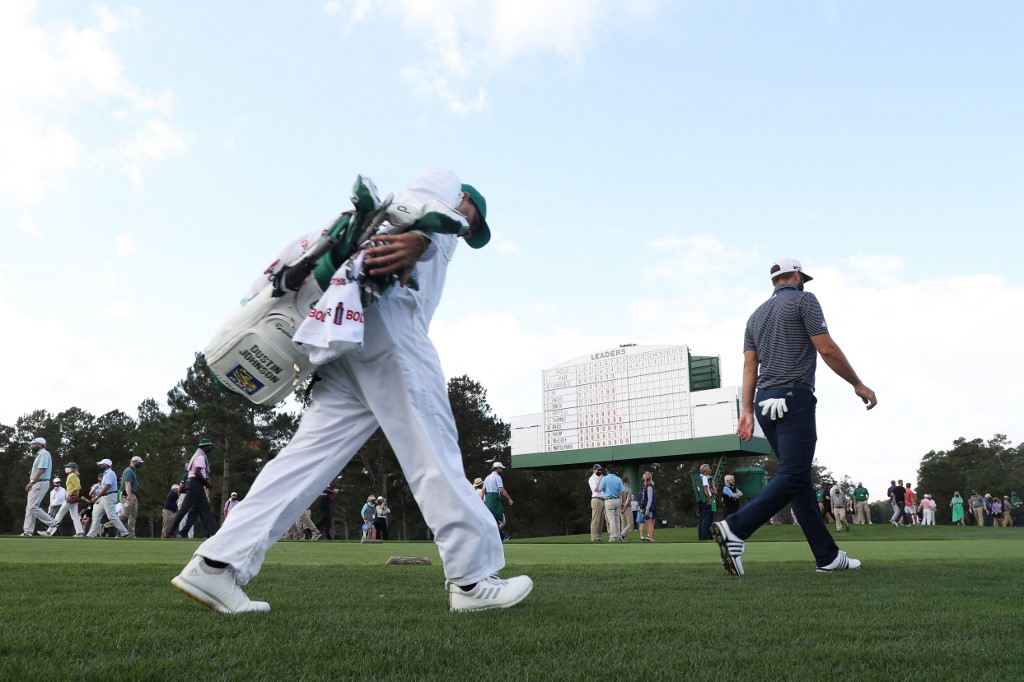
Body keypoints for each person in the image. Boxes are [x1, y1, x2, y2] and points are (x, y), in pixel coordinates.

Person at [170, 170, 530, 614]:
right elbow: (408, 211)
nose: (470, 228)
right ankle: (472, 580)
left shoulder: (443, 237)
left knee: (306, 461)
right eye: (474, 220)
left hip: (347, 330)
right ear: (466, 200)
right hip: (388, 327)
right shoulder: (446, 189)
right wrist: (422, 238)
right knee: (432, 449)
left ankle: (216, 564)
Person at [716, 258, 877, 575]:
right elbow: (826, 348)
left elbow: (751, 367)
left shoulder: (755, 316)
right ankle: (736, 527)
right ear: (794, 276)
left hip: (764, 404)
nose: (802, 282)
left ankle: (827, 556)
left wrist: (747, 410)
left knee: (799, 479)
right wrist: (857, 383)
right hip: (793, 398)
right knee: (793, 476)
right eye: (801, 277)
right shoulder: (806, 300)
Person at [165, 439, 218, 538]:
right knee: (184, 510)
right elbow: (197, 472)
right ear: (204, 447)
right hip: (195, 484)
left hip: (195, 484)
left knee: (205, 510)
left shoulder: (198, 454)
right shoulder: (201, 457)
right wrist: (206, 483)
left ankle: (214, 533)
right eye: (209, 446)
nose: (211, 448)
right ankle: (169, 533)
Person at [86, 459, 130, 538]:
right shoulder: (105, 474)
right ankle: (91, 534)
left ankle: (124, 532)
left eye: (101, 464)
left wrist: (96, 497)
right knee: (96, 515)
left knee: (111, 516)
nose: (100, 466)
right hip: (104, 497)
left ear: (106, 465)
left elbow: (107, 486)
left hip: (109, 496)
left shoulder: (110, 473)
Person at [22, 437, 57, 537]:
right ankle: (27, 532)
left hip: (40, 482)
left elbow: (41, 469)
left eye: (33, 444)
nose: (32, 446)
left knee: (33, 506)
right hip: (37, 483)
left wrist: (32, 482)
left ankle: (53, 524)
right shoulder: (39, 455)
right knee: (29, 508)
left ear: (40, 444)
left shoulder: (44, 453)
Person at [43, 463, 85, 537]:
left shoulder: (72, 476)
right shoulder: (74, 476)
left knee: (59, 514)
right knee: (75, 516)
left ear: (72, 469)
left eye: (67, 467)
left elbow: (78, 487)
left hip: (70, 498)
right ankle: (80, 533)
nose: (66, 468)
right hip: (74, 498)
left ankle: (49, 531)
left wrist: (70, 492)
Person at [483, 462, 513, 543]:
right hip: (494, 499)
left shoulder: (487, 477)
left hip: (488, 500)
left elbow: (483, 491)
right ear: (497, 468)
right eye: (500, 468)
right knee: (498, 519)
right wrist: (509, 498)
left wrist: (482, 502)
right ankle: (501, 537)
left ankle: (500, 537)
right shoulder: (497, 477)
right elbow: (501, 489)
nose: (501, 469)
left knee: (494, 520)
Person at [118, 455, 143, 538]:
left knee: (133, 514)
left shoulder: (133, 471)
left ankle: (131, 534)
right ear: (135, 461)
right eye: (139, 463)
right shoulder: (128, 471)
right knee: (125, 514)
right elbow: (127, 483)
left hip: (132, 494)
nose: (140, 464)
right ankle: (106, 525)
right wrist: (129, 495)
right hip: (127, 494)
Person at [598, 466, 625, 542]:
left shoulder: (605, 479)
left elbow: (600, 489)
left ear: (607, 471)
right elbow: (622, 491)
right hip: (617, 500)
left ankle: (613, 537)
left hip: (609, 500)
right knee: (617, 519)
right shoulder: (618, 479)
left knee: (611, 519)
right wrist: (622, 502)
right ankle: (618, 536)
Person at [697, 464, 716, 540]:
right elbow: (705, 488)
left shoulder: (699, 477)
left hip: (701, 501)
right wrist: (709, 498)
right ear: (705, 470)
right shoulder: (704, 478)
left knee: (702, 519)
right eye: (708, 468)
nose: (709, 470)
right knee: (707, 519)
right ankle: (705, 537)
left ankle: (701, 536)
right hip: (706, 500)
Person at [588, 463, 605, 542]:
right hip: (596, 499)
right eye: (598, 469)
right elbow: (595, 489)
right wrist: (601, 480)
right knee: (596, 520)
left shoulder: (600, 478)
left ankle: (599, 537)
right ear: (594, 470)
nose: (600, 471)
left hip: (602, 499)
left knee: (601, 520)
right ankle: (594, 538)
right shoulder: (592, 479)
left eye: (600, 469)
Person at [639, 471, 656, 542]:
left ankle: (651, 538)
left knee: (650, 523)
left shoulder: (649, 487)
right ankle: (650, 538)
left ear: (647, 478)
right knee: (647, 523)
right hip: (645, 507)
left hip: (649, 508)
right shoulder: (645, 487)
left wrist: (647, 509)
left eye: (644, 477)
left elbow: (650, 499)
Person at [620, 476, 634, 541]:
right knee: (630, 523)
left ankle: (624, 537)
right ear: (628, 481)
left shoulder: (620, 488)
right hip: (627, 507)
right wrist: (624, 508)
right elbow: (628, 499)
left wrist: (621, 508)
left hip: (620, 507)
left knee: (623, 523)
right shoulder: (629, 489)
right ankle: (622, 534)